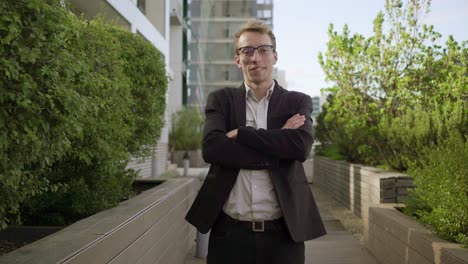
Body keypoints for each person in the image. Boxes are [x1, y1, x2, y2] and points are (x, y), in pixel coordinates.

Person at [185, 20, 326, 264]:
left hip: (284, 236)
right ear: (237, 59)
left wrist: (243, 134)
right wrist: (279, 141)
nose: (255, 57)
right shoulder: (221, 100)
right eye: (246, 51)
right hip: (229, 235)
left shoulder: (297, 102)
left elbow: (300, 147)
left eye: (263, 49)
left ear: (275, 55)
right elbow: (212, 148)